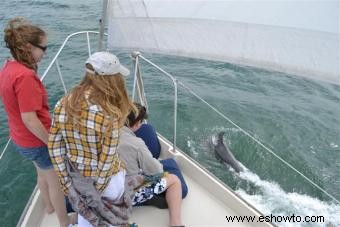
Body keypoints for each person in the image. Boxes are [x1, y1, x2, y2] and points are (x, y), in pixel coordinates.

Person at [48, 51, 136, 227]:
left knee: (87, 218)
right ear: (112, 80)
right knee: (113, 220)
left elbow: (54, 147)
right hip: (107, 182)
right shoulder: (110, 114)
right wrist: (98, 190)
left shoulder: (63, 103)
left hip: (78, 179)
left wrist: (66, 184)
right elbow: (107, 160)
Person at [0, 18, 71, 227]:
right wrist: (51, 142)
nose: (45, 53)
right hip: (35, 141)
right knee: (55, 182)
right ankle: (64, 221)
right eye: (43, 48)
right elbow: (30, 118)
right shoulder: (25, 77)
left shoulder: (9, 67)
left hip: (21, 139)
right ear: (29, 47)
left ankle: (48, 206)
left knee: (41, 172)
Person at [118, 104, 184, 227]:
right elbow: (156, 171)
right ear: (137, 123)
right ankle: (176, 223)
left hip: (103, 190)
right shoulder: (136, 144)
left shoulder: (105, 131)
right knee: (174, 180)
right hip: (124, 194)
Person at [133, 104, 188, 199]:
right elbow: (156, 170)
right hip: (128, 191)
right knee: (179, 186)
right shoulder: (138, 144)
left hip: (115, 181)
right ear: (138, 123)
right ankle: (157, 200)